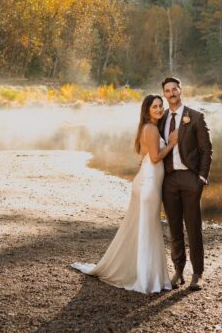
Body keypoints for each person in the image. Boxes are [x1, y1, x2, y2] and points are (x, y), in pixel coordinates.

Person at [72, 94, 178, 294]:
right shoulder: (152, 129)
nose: (158, 109)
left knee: (145, 228)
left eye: (160, 106)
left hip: (146, 182)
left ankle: (147, 275)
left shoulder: (147, 128)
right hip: (148, 185)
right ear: (147, 110)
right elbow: (155, 158)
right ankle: (146, 280)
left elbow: (146, 156)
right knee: (148, 229)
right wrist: (172, 143)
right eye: (154, 106)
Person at [159, 76, 212, 291]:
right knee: (174, 229)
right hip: (169, 180)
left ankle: (198, 274)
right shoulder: (160, 118)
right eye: (167, 90)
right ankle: (179, 270)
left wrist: (201, 177)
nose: (171, 93)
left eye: (174, 89)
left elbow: (206, 150)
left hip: (190, 179)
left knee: (193, 228)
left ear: (181, 90)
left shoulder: (196, 117)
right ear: (164, 94)